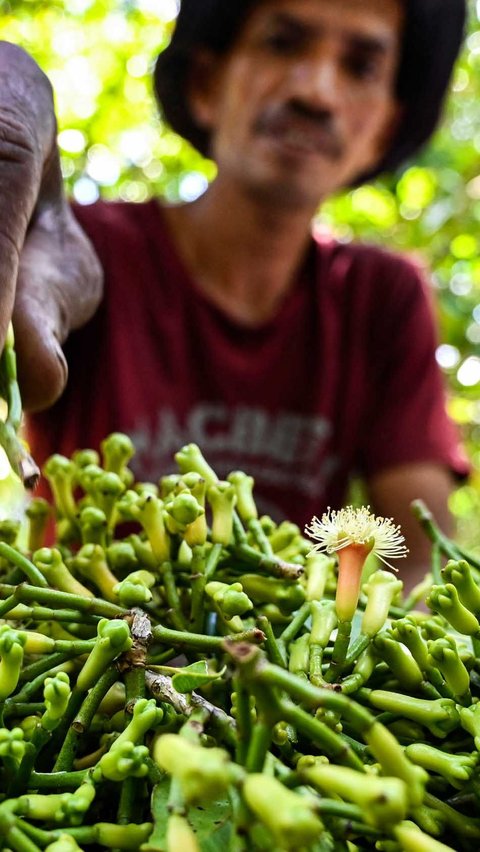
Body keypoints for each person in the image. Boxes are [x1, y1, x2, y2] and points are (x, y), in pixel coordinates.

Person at [0, 0, 469, 586]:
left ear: (384, 131)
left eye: (360, 67)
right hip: (83, 661)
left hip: (280, 658)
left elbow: (419, 558)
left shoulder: (380, 297)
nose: (316, 92)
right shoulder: (82, 250)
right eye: (282, 42)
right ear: (205, 83)